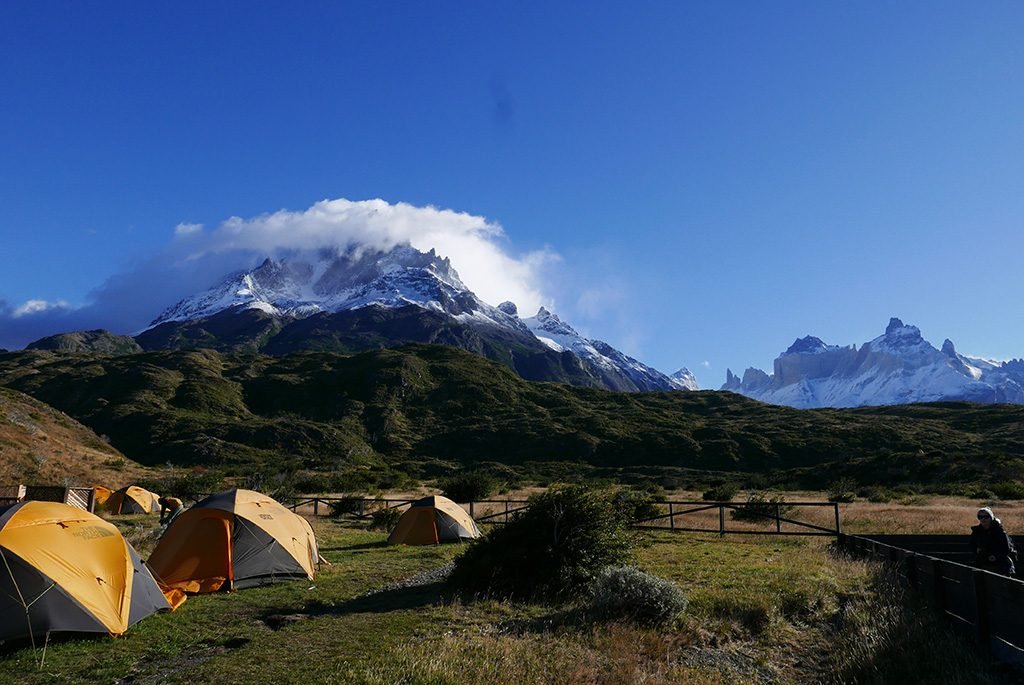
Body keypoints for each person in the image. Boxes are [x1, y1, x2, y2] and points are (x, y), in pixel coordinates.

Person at [971, 507, 1016, 576]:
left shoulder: (999, 531)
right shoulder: (977, 531)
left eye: (986, 517)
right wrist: (976, 549)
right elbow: (971, 544)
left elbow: (1007, 548)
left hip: (999, 565)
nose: (983, 519)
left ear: (991, 518)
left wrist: (996, 556)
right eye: (980, 517)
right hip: (982, 563)